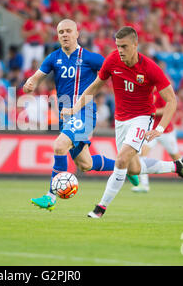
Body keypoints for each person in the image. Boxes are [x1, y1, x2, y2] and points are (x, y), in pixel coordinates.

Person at [61, 26, 183, 219]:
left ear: (135, 45)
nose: (120, 50)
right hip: (120, 121)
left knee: (121, 159)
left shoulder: (150, 68)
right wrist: (74, 108)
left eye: (124, 46)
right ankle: (178, 166)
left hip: (142, 118)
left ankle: (100, 208)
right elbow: (94, 87)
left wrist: (159, 128)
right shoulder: (112, 60)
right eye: (118, 46)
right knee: (133, 168)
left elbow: (172, 100)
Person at [25, 19, 139, 211]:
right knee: (85, 164)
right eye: (61, 32)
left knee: (59, 145)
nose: (64, 35)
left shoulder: (90, 58)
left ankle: (50, 197)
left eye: (69, 31)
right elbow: (36, 76)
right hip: (66, 116)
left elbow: (116, 70)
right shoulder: (53, 58)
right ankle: (125, 166)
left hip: (84, 113)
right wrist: (30, 83)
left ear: (77, 33)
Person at [132, 91, 183, 194]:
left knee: (176, 158)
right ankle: (144, 185)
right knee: (142, 154)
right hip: (152, 130)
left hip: (166, 131)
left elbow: (167, 109)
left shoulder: (161, 93)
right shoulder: (146, 92)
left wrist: (152, 111)